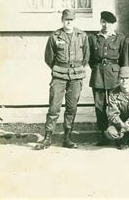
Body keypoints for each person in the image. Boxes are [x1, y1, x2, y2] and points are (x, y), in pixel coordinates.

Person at [36, 9, 89, 150]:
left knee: (71, 108)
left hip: (76, 76)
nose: (68, 22)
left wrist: (76, 67)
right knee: (54, 107)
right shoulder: (55, 36)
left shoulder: (82, 36)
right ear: (62, 20)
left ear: (74, 20)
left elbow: (86, 57)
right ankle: (48, 137)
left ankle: (67, 137)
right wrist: (58, 68)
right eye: (66, 20)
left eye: (71, 20)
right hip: (59, 75)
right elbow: (49, 58)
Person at [88, 11, 126, 145]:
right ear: (100, 22)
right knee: (100, 107)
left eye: (109, 22)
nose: (106, 25)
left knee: (116, 105)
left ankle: (120, 136)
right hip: (98, 74)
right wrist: (98, 67)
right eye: (103, 21)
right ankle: (104, 134)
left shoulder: (120, 38)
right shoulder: (93, 38)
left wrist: (122, 77)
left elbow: (124, 60)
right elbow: (91, 59)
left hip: (114, 75)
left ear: (113, 24)